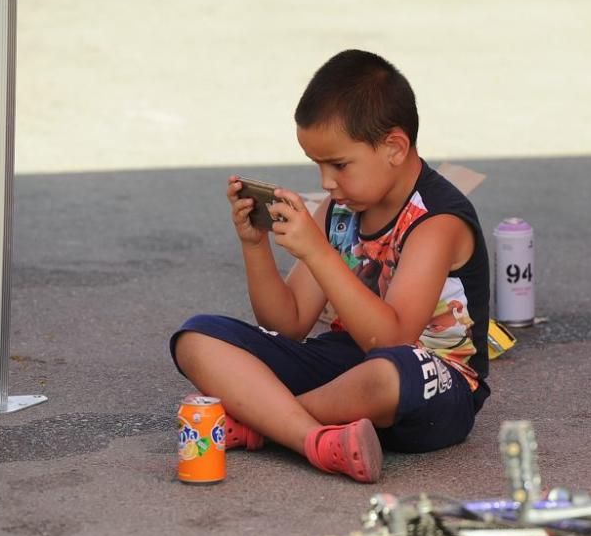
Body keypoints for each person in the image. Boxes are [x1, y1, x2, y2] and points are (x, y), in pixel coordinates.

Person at [170, 50, 491, 483]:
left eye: (339, 165)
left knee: (387, 374)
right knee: (197, 338)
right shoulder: (340, 210)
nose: (326, 182)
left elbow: (393, 339)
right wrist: (255, 245)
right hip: (343, 367)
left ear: (394, 147)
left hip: (430, 384)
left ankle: (267, 420)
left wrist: (318, 253)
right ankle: (313, 438)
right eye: (318, 165)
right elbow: (287, 323)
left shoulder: (437, 221)